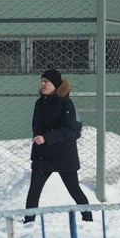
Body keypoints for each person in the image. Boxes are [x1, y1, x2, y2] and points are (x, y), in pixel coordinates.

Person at [24, 69, 92, 223]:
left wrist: (47, 138)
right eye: (41, 81)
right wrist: (35, 156)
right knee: (33, 192)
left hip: (64, 156)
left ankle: (88, 220)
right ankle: (28, 223)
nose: (42, 84)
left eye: (46, 81)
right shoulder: (39, 103)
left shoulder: (66, 103)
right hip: (43, 157)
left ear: (55, 84)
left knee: (75, 190)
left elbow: (68, 130)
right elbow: (37, 130)